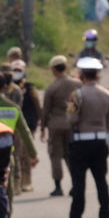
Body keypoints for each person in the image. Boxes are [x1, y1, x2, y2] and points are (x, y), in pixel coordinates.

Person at [59, 57, 109, 218]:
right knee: (101, 182)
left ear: (82, 75)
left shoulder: (77, 95)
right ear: (97, 75)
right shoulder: (107, 94)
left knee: (79, 183)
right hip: (100, 142)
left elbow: (71, 119)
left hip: (81, 143)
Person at [0, 71, 39, 216]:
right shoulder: (14, 108)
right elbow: (25, 132)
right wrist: (33, 154)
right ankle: (6, 217)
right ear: (5, 87)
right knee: (7, 189)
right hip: (7, 155)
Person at [40, 55, 82, 196]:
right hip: (73, 124)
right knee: (71, 155)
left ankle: (58, 187)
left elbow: (46, 110)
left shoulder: (52, 87)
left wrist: (42, 128)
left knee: (55, 155)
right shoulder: (77, 84)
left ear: (53, 69)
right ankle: (75, 185)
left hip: (56, 124)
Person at [15, 62, 41, 192]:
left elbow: (37, 104)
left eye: (18, 70)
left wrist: (39, 119)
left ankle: (27, 181)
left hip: (28, 124)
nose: (16, 72)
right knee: (16, 155)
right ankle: (17, 181)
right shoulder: (10, 88)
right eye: (14, 70)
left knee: (25, 155)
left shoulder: (30, 87)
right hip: (13, 125)